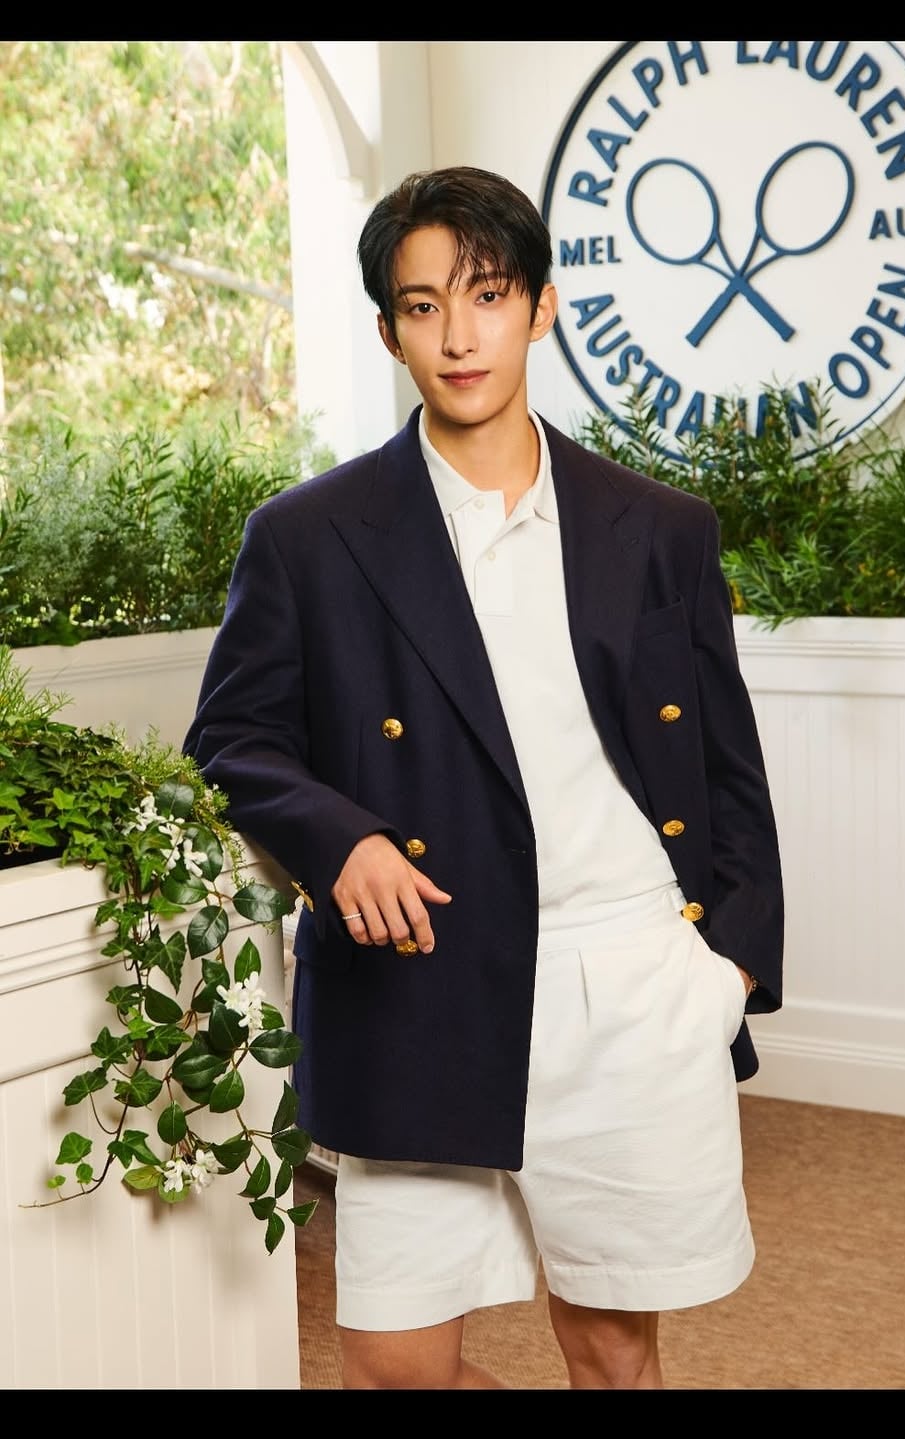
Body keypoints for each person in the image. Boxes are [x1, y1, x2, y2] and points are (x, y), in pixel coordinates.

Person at [183, 164, 784, 1391]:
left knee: (611, 1349)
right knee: (394, 1363)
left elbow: (729, 765)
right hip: (419, 984)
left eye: (488, 295)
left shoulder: (660, 527)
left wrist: (728, 968)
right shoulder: (306, 536)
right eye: (422, 306)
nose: (458, 335)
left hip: (625, 982)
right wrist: (338, 837)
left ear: (541, 306)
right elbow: (233, 737)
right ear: (390, 331)